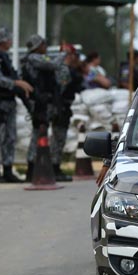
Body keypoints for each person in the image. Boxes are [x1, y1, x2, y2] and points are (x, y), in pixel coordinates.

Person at [0, 28, 33, 183]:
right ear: (2, 41)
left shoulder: (5, 57)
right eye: (9, 39)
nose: (11, 42)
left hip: (9, 103)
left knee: (10, 138)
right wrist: (16, 83)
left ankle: (8, 170)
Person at [21, 34, 67, 182]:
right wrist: (64, 53)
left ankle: (43, 168)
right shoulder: (33, 58)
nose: (45, 47)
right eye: (43, 44)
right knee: (37, 135)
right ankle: (31, 169)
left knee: (43, 134)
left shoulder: (38, 58)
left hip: (46, 102)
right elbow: (52, 64)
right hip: (39, 104)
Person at [49, 43, 85, 182]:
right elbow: (60, 91)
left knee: (60, 138)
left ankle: (55, 166)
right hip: (60, 107)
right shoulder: (63, 70)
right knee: (58, 139)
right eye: (73, 55)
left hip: (63, 107)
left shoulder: (68, 69)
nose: (75, 58)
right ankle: (54, 167)